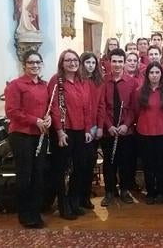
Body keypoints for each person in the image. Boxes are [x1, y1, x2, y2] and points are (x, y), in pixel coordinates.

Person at [4, 50, 50, 228]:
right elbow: (12, 112)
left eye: (38, 62)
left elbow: (47, 109)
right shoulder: (15, 85)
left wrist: (48, 119)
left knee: (39, 174)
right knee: (25, 175)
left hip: (40, 135)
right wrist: (35, 120)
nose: (35, 65)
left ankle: (36, 211)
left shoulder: (44, 86)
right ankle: (24, 214)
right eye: (31, 63)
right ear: (24, 65)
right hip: (21, 135)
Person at [49, 50, 92, 220]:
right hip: (64, 130)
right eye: (68, 60)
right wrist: (59, 131)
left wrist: (88, 129)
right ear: (62, 63)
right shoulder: (56, 81)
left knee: (80, 167)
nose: (72, 63)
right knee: (61, 169)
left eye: (75, 60)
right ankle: (63, 205)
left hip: (81, 130)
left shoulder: (84, 81)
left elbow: (87, 107)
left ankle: (74, 202)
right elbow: (54, 107)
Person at [99, 48, 138, 207]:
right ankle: (109, 191)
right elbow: (101, 106)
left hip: (125, 130)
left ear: (124, 63)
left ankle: (124, 190)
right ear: (109, 62)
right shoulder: (102, 81)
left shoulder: (132, 82)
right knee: (109, 162)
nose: (117, 64)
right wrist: (108, 125)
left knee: (126, 162)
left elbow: (134, 108)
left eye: (120, 61)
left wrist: (126, 125)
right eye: (114, 61)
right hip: (109, 130)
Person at [135, 62, 163, 204]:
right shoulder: (140, 91)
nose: (154, 75)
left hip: (162, 132)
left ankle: (161, 191)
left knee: (161, 164)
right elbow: (136, 111)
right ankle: (150, 192)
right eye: (151, 73)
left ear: (161, 74)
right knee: (148, 164)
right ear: (147, 75)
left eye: (157, 72)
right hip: (144, 132)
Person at [79, 52, 105, 210]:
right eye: (87, 62)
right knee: (79, 163)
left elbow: (101, 105)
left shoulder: (99, 82)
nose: (90, 65)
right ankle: (77, 195)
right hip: (79, 127)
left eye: (93, 63)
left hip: (95, 127)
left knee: (90, 162)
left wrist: (100, 126)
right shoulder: (78, 81)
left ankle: (85, 196)